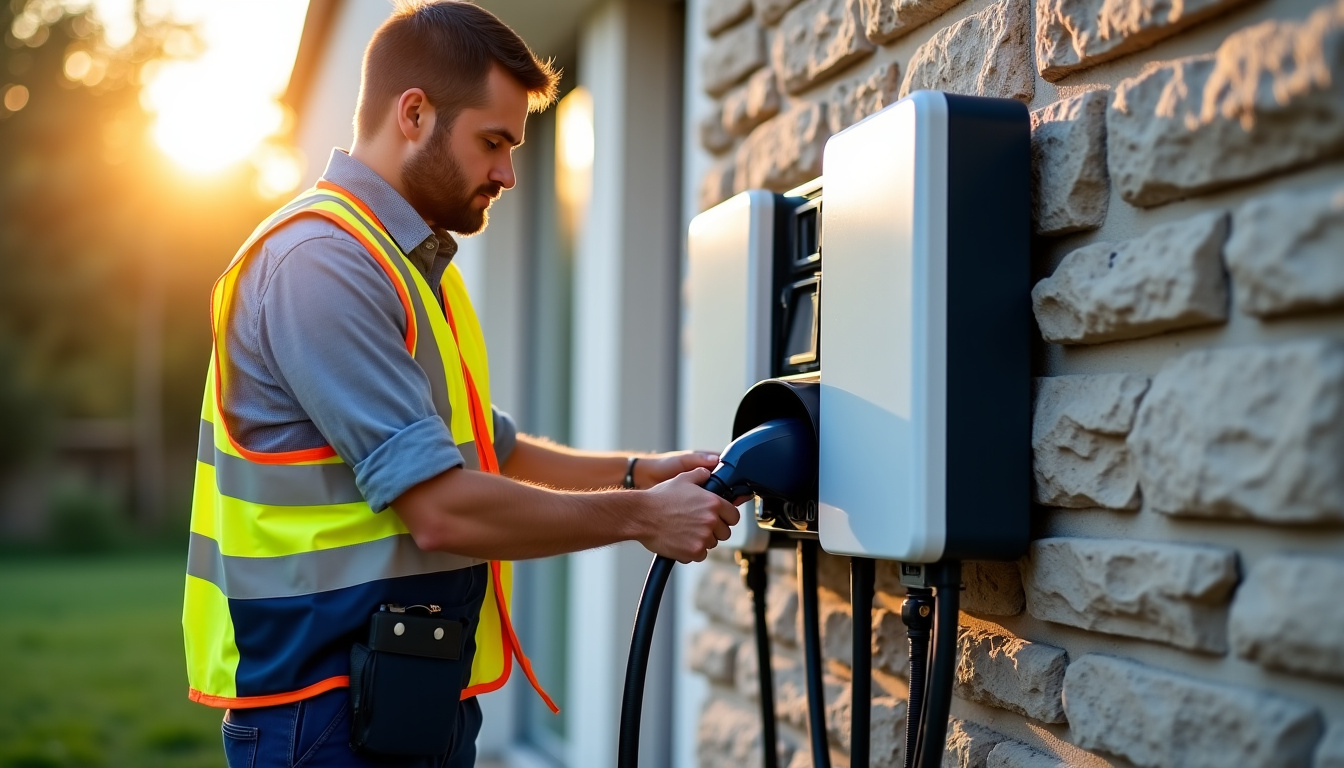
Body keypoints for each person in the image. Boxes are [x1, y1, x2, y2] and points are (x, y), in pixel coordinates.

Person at [181, 3, 741, 766]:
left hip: (396, 698)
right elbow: (439, 509)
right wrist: (644, 516)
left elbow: (491, 445)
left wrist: (642, 471)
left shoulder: (404, 264)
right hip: (321, 717)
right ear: (414, 113)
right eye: (493, 142)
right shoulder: (320, 263)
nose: (509, 173)